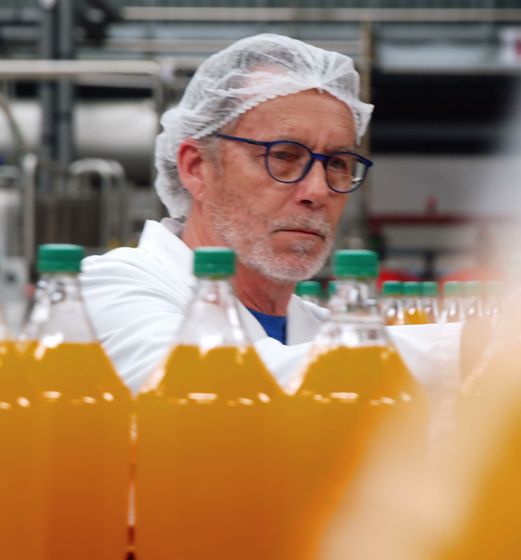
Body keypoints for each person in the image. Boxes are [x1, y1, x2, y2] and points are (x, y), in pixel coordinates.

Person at [81, 33, 460, 390]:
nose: (316, 191)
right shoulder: (110, 290)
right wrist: (469, 345)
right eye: (283, 156)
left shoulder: (316, 330)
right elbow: (218, 389)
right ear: (197, 168)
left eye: (338, 163)